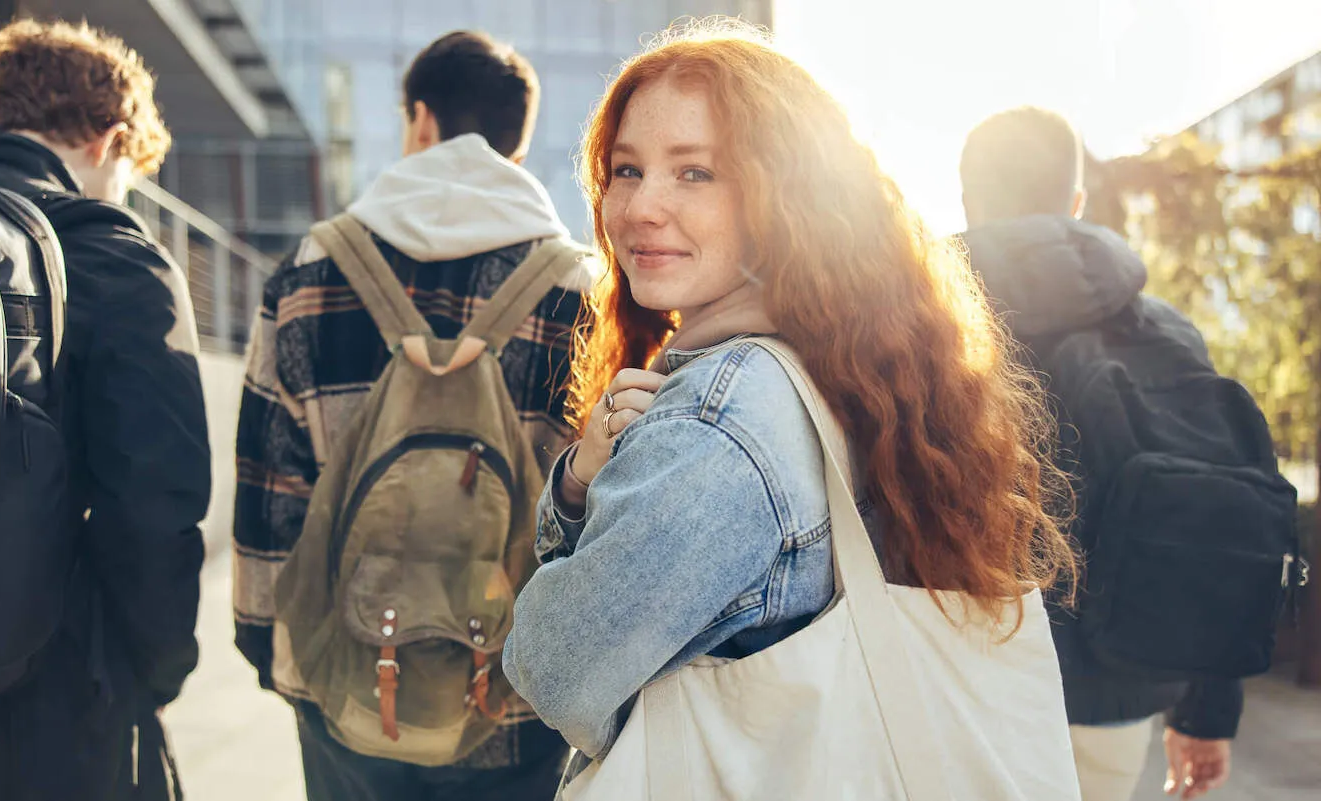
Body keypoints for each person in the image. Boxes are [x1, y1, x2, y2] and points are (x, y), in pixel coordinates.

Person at [501, 21, 1079, 798]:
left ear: (787, 194)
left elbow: (558, 669)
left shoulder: (721, 418)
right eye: (626, 169)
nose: (640, 207)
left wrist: (574, 495)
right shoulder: (849, 363)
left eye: (696, 173)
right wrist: (583, 479)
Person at [233, 30, 590, 801]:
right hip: (512, 696)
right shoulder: (578, 289)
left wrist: (270, 648)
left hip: (348, 678)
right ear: (514, 149)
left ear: (420, 121)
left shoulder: (309, 269)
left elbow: (270, 485)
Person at [0, 19, 210, 801]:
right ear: (114, 140)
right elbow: (156, 506)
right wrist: (152, 674)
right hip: (56, 704)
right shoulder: (116, 256)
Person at [958, 106, 1243, 801]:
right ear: (1076, 205)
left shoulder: (919, 326)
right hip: (1117, 689)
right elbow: (1212, 521)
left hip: (959, 685)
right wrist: (1206, 710)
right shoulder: (1165, 331)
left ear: (966, 198)